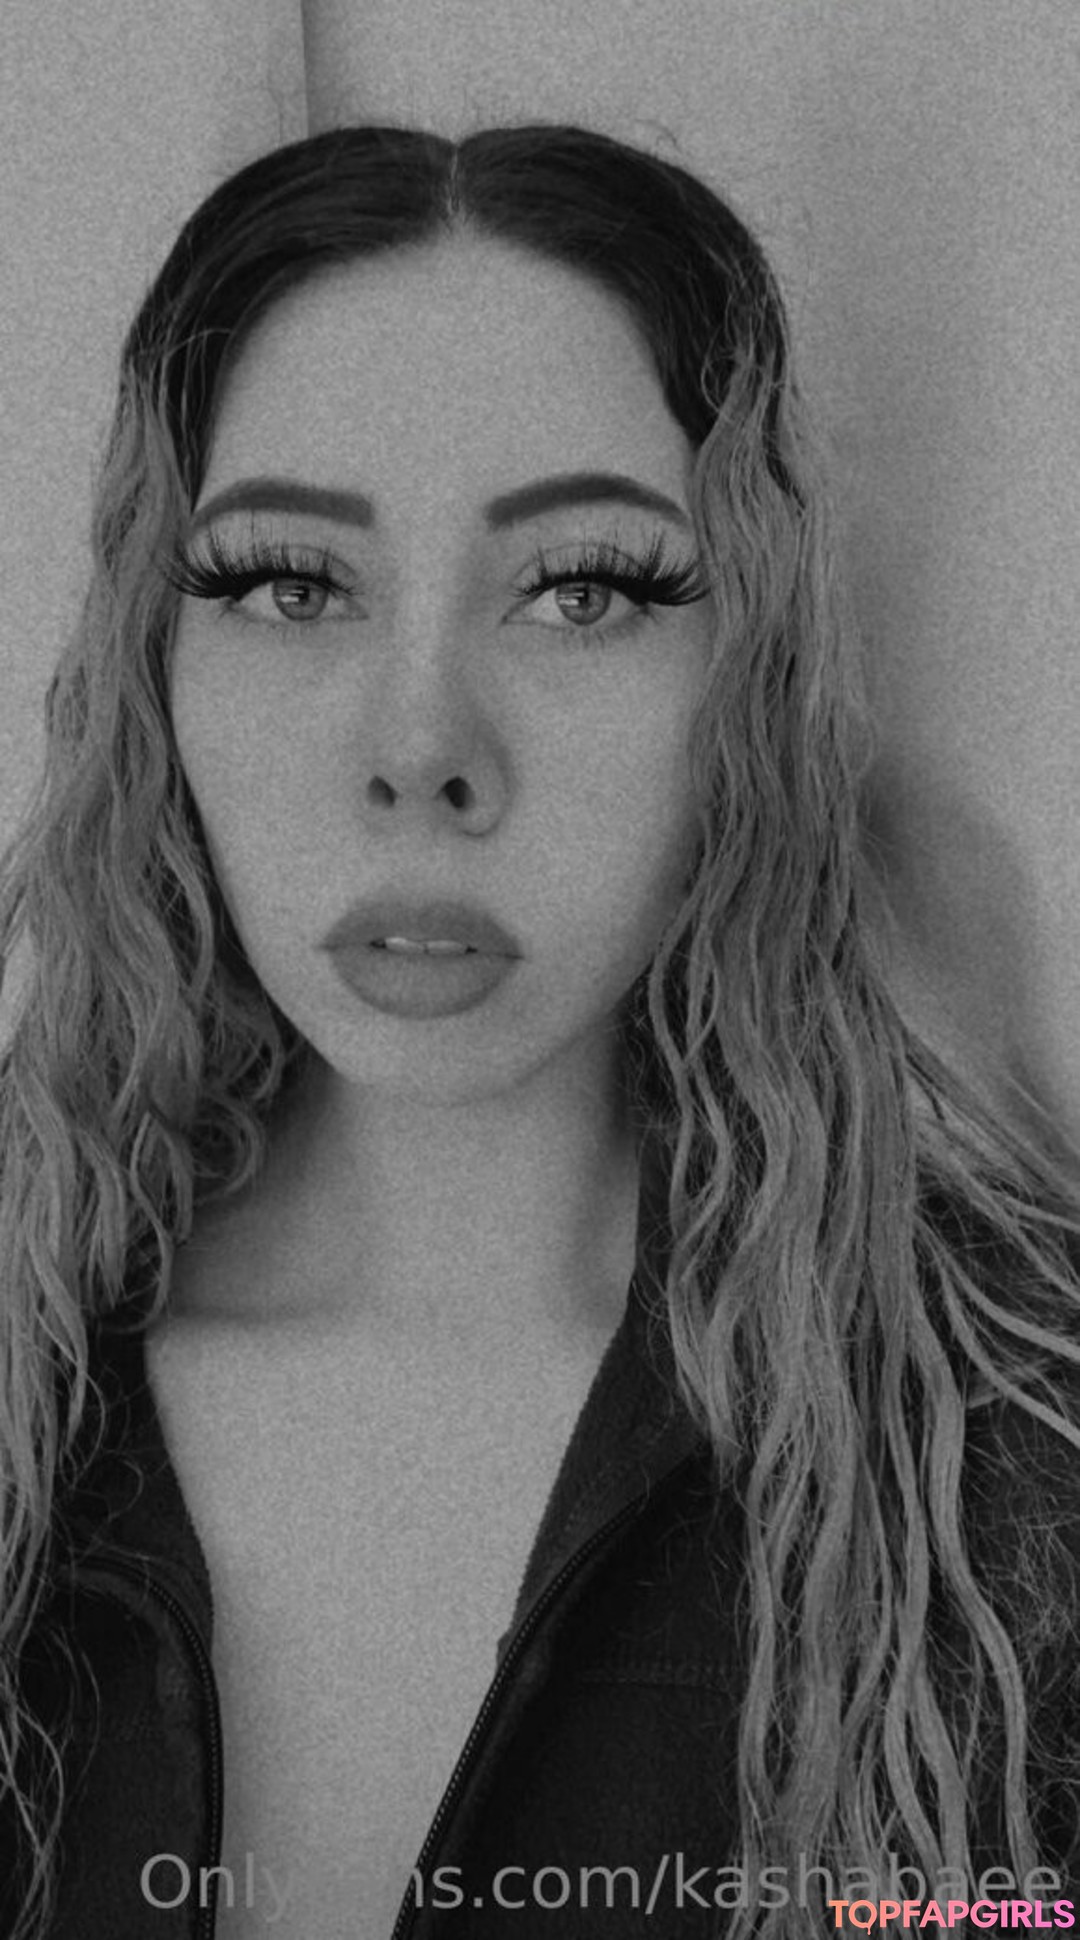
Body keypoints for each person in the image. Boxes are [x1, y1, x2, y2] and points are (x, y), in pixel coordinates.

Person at [0, 122, 1077, 1940]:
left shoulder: (1014, 1475)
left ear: (753, 672)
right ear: (151, 663)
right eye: (290, 583)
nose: (421, 747)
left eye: (587, 589)